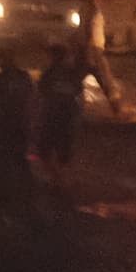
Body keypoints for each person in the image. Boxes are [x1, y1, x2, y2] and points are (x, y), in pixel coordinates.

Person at [0, 48, 38, 210]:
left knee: (4, 157)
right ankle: (28, 189)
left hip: (5, 123)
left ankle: (5, 192)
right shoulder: (24, 77)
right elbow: (32, 99)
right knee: (21, 156)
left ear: (2, 61)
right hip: (22, 123)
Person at [36, 37, 89, 175]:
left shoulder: (49, 74)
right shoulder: (71, 73)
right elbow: (79, 95)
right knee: (63, 151)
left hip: (53, 116)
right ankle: (60, 179)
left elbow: (41, 94)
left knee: (46, 149)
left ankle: (56, 179)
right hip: (67, 116)